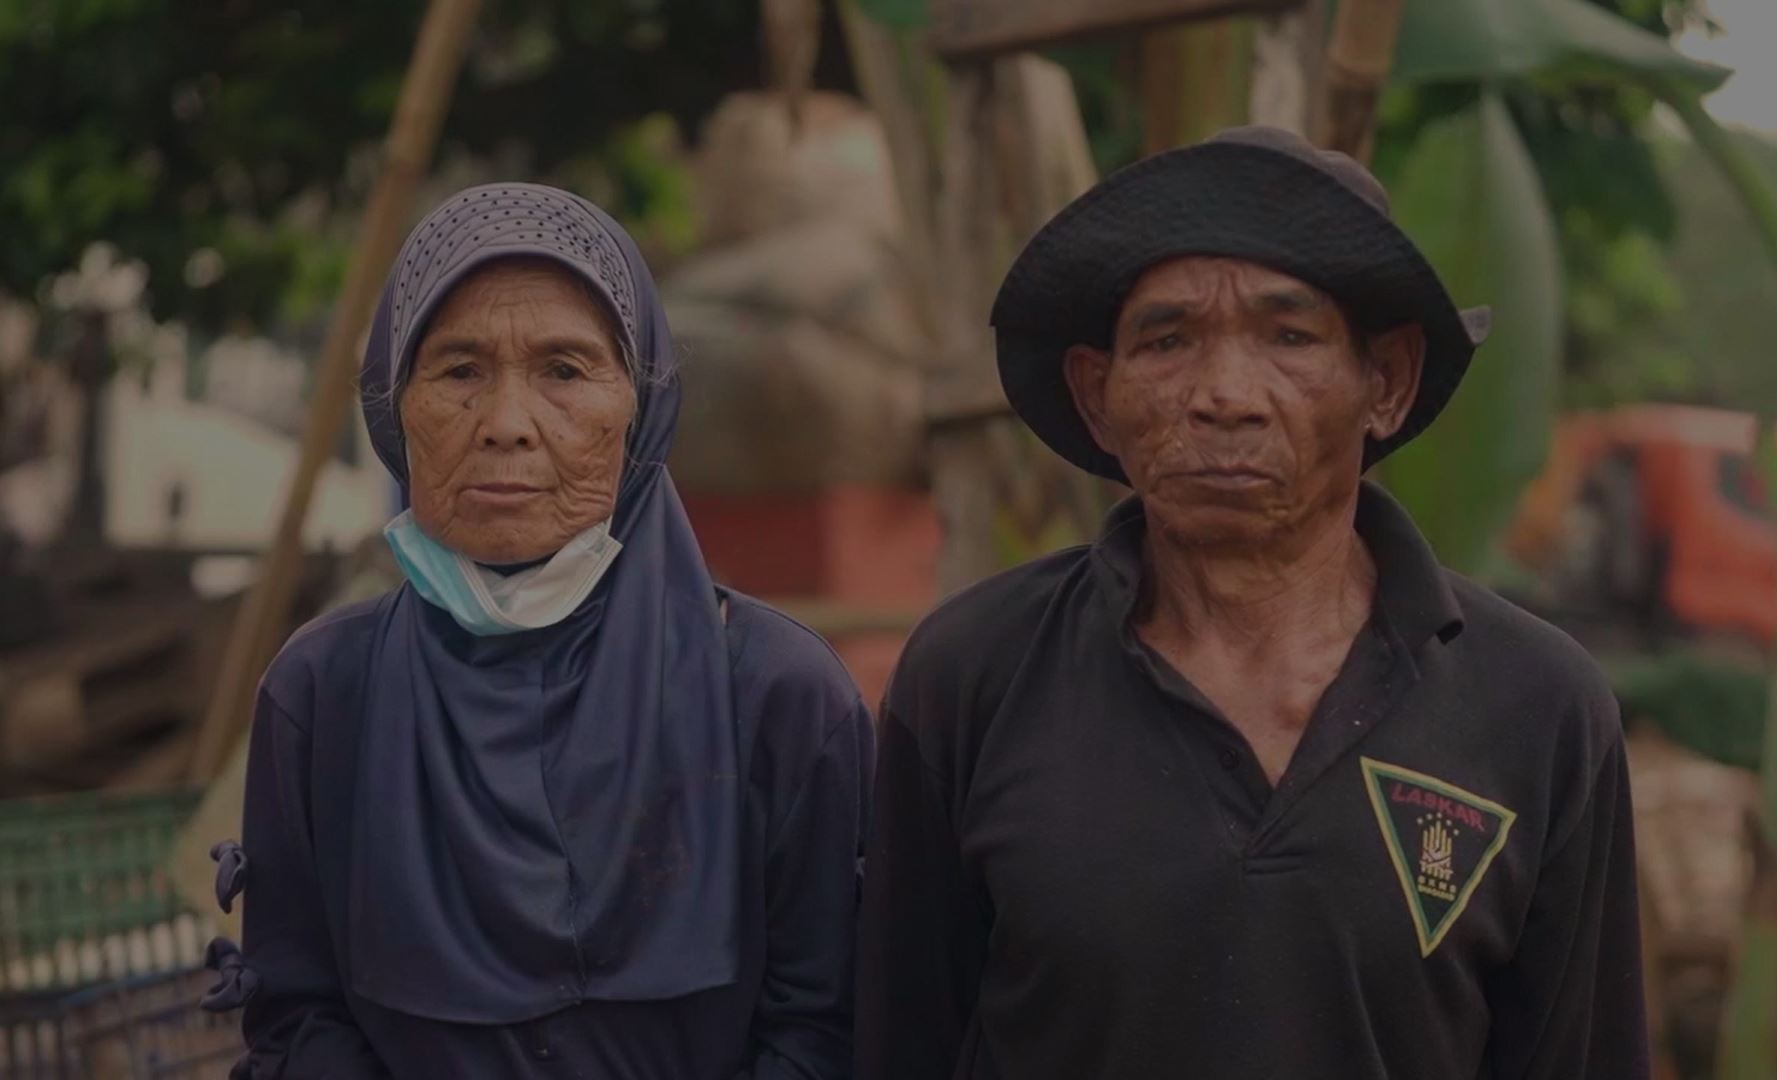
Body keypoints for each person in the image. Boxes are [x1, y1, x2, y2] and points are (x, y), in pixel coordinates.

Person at [856, 128, 1646, 1079]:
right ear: (1098, 396)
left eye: (1289, 337)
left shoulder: (1538, 706)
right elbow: (899, 1045)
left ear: (1385, 383)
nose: (1225, 396)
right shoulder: (973, 675)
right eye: (1168, 340)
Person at [226, 184, 872, 1079]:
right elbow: (299, 1021)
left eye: (565, 372)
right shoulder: (324, 693)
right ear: (394, 407)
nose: (507, 426)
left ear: (641, 408)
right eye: (459, 371)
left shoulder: (776, 694)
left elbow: (826, 1029)